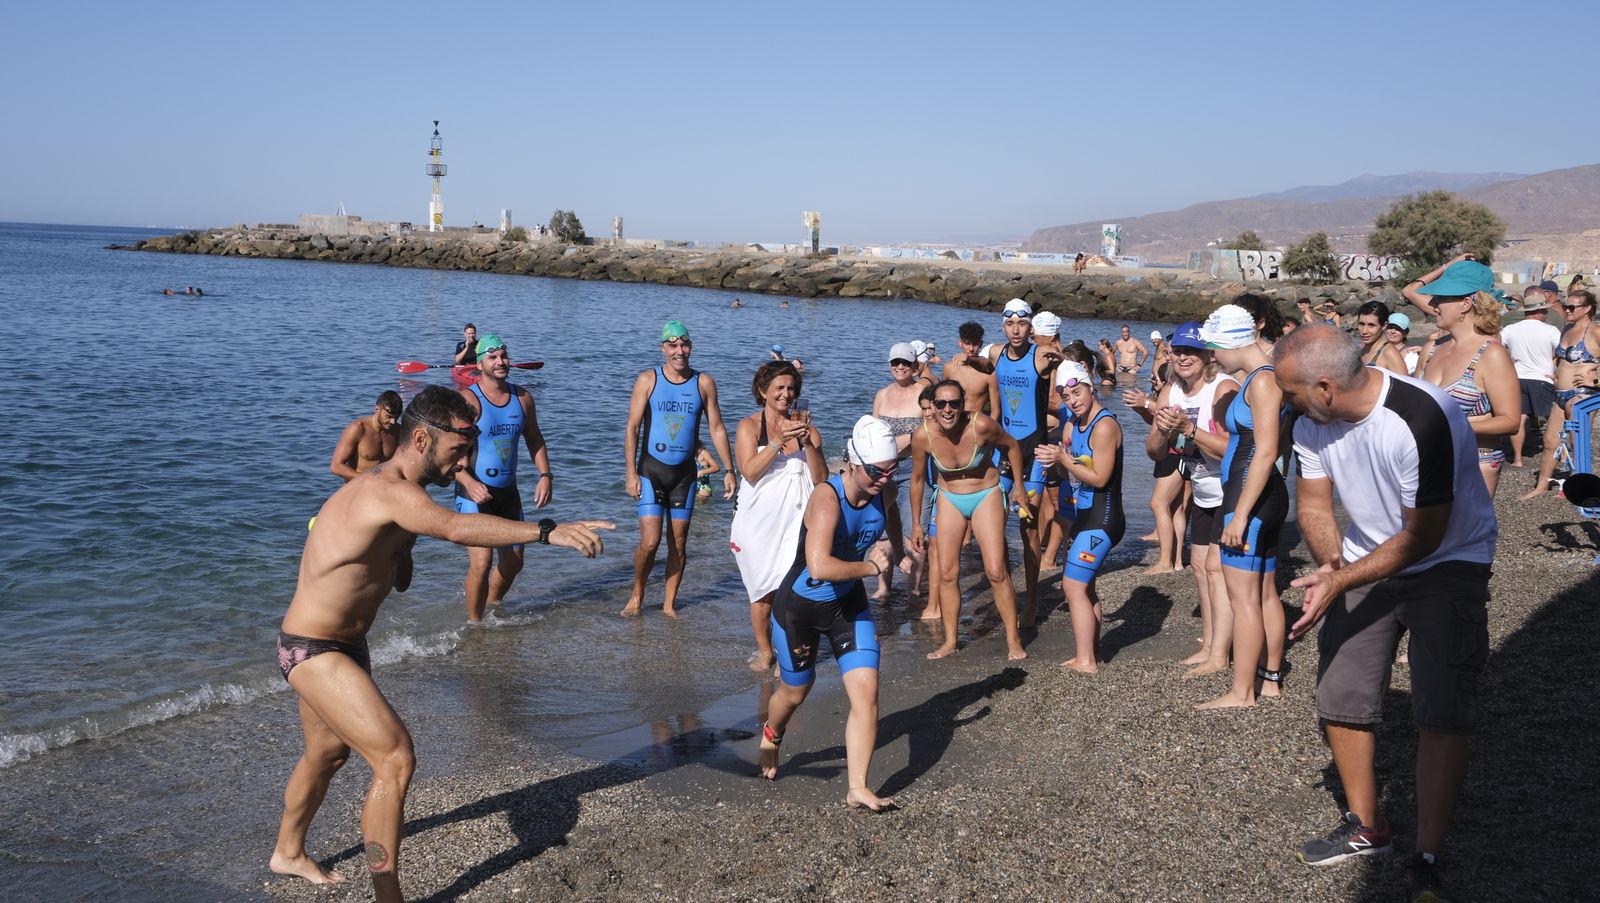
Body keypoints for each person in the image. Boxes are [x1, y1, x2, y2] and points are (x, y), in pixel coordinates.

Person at [269, 386, 610, 901]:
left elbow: (398, 578)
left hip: (341, 646)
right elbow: (455, 527)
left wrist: (392, 548)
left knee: (326, 754)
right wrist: (545, 532)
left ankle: (288, 853)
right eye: (458, 448)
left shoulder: (401, 496)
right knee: (395, 758)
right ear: (423, 437)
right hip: (313, 649)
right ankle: (388, 895)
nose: (465, 461)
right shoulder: (389, 490)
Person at [1274, 326, 1495, 902]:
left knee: (1440, 707)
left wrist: (1344, 576)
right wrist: (1330, 569)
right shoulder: (1308, 422)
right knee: (1341, 692)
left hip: (1448, 561)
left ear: (1324, 387)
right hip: (1362, 560)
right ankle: (1367, 826)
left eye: (1291, 392)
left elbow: (1424, 535)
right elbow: (1316, 504)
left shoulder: (1424, 416)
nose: (1285, 403)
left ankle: (1427, 854)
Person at [758, 416, 904, 812]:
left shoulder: (884, 490)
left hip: (848, 606)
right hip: (799, 609)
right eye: (876, 471)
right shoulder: (827, 498)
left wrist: (899, 547)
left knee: (867, 693)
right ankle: (772, 732)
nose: (884, 479)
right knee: (795, 693)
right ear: (853, 462)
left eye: (892, 470)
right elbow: (819, 567)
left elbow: (890, 513)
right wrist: (873, 568)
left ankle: (857, 787)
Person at [1196, 305, 1290, 709]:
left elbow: (1267, 451)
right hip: (1262, 496)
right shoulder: (1265, 376)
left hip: (1249, 499)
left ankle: (1242, 692)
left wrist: (1240, 515)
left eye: (1215, 347)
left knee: (1245, 600)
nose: (1213, 356)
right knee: (1266, 593)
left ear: (1234, 342)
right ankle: (1269, 680)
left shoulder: (1263, 382)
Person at [909, 380, 1031, 661]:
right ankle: (950, 641)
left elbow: (1012, 446)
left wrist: (1019, 488)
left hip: (985, 494)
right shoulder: (922, 436)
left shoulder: (981, 426)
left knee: (996, 571)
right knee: (948, 573)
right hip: (949, 497)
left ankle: (1013, 639)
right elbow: (917, 481)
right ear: (932, 407)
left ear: (963, 405)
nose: (948, 409)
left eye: (954, 403)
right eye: (941, 404)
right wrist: (917, 523)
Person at [622, 321, 737, 617]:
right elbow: (633, 428)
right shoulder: (648, 379)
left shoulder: (703, 383)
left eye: (684, 344)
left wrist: (729, 469)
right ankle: (637, 595)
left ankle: (669, 605)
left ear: (691, 347)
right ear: (663, 348)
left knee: (679, 543)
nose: (679, 351)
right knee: (650, 542)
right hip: (651, 471)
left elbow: (717, 427)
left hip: (684, 476)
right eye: (672, 346)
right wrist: (630, 473)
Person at [1143, 324, 1238, 676]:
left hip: (1231, 491)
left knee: (1215, 569)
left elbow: (1234, 450)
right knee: (1199, 568)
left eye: (1191, 351)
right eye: (1177, 350)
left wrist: (1189, 430)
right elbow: (1154, 452)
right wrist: (1163, 430)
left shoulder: (1222, 389)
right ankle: (1210, 644)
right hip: (1203, 491)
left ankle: (1220, 655)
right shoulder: (1171, 391)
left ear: (1207, 355)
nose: (1182, 357)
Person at [730, 362, 826, 672]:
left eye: (791, 388)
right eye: (779, 388)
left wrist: (808, 442)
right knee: (762, 594)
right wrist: (778, 441)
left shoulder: (808, 430)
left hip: (796, 524)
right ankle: (764, 651)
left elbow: (821, 479)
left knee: (794, 593)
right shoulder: (748, 426)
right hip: (757, 525)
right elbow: (750, 471)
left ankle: (791, 650)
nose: (786, 394)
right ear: (763, 391)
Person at [453, 335, 553, 621]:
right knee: (482, 562)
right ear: (480, 363)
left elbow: (534, 439)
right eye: (493, 357)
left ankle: (491, 606)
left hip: (508, 492)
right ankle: (474, 625)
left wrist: (545, 475)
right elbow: (450, 455)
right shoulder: (469, 399)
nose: (500, 362)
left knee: (514, 562)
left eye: (504, 356)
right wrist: (469, 483)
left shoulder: (522, 398)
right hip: (473, 493)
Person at [1036, 362, 1124, 674]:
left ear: (1091, 387)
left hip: (1105, 518)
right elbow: (1069, 472)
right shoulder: (1074, 425)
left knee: (1072, 586)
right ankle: (1092, 653)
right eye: (1067, 396)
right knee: (1085, 587)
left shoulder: (1104, 426)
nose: (1073, 400)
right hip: (1086, 516)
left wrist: (1064, 460)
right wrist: (1055, 462)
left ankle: (1086, 661)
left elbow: (1100, 478)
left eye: (1077, 392)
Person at [1410, 260, 1521, 497]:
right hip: (1428, 461)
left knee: (1461, 534)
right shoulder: (1431, 349)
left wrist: (1450, 426)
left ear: (1466, 304)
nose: (1432, 304)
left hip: (1473, 464)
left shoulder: (1491, 354)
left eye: (1440, 298)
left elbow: (1510, 421)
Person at [985, 298, 1063, 624]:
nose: (1015, 330)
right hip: (1004, 450)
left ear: (1030, 327)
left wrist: (1058, 361)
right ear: (1003, 326)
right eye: (1009, 324)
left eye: (1021, 324)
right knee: (993, 523)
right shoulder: (995, 353)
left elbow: (1063, 361)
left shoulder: (1041, 355)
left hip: (1035, 452)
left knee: (1028, 526)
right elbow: (984, 368)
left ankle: (1030, 601)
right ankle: (1004, 591)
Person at [1521, 286, 1600, 499]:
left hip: (1583, 395)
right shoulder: (1567, 329)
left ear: (1588, 309)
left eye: (1572, 307)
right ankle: (1541, 486)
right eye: (1566, 306)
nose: (1567, 310)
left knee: (1578, 442)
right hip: (1561, 394)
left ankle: (1580, 489)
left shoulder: (1595, 331)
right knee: (1550, 441)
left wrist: (1596, 379)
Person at [870, 341, 932, 600]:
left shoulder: (924, 391)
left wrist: (900, 443)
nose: (900, 367)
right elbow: (871, 432)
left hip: (914, 468)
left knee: (915, 533)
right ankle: (883, 587)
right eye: (895, 362)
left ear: (914, 365)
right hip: (883, 471)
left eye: (905, 362)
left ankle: (914, 589)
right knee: (882, 533)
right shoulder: (882, 395)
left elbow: (930, 426)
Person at [1499, 286, 1559, 466]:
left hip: (1516, 378)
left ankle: (1517, 458)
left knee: (1519, 419)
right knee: (1553, 419)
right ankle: (1561, 455)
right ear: (1540, 311)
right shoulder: (1550, 330)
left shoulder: (1510, 329)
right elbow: (1562, 351)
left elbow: (1496, 347)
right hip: (1542, 378)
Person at [330, 391, 402, 481]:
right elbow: (336, 466)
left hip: (383, 489)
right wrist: (370, 480)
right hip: (358, 489)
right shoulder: (358, 429)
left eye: (396, 417)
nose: (393, 421)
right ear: (377, 409)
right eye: (389, 416)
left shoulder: (398, 431)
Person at [943, 321, 1000, 414]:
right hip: (952, 421)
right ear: (960, 342)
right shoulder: (948, 368)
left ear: (981, 344)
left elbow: (996, 410)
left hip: (976, 423)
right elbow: (942, 399)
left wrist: (988, 427)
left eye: (975, 344)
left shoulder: (988, 372)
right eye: (967, 344)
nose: (971, 349)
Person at [1354, 301, 1408, 374]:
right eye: (1362, 324)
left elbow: (1405, 384)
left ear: (1384, 326)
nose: (1364, 331)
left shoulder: (1389, 353)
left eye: (1371, 325)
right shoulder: (1361, 350)